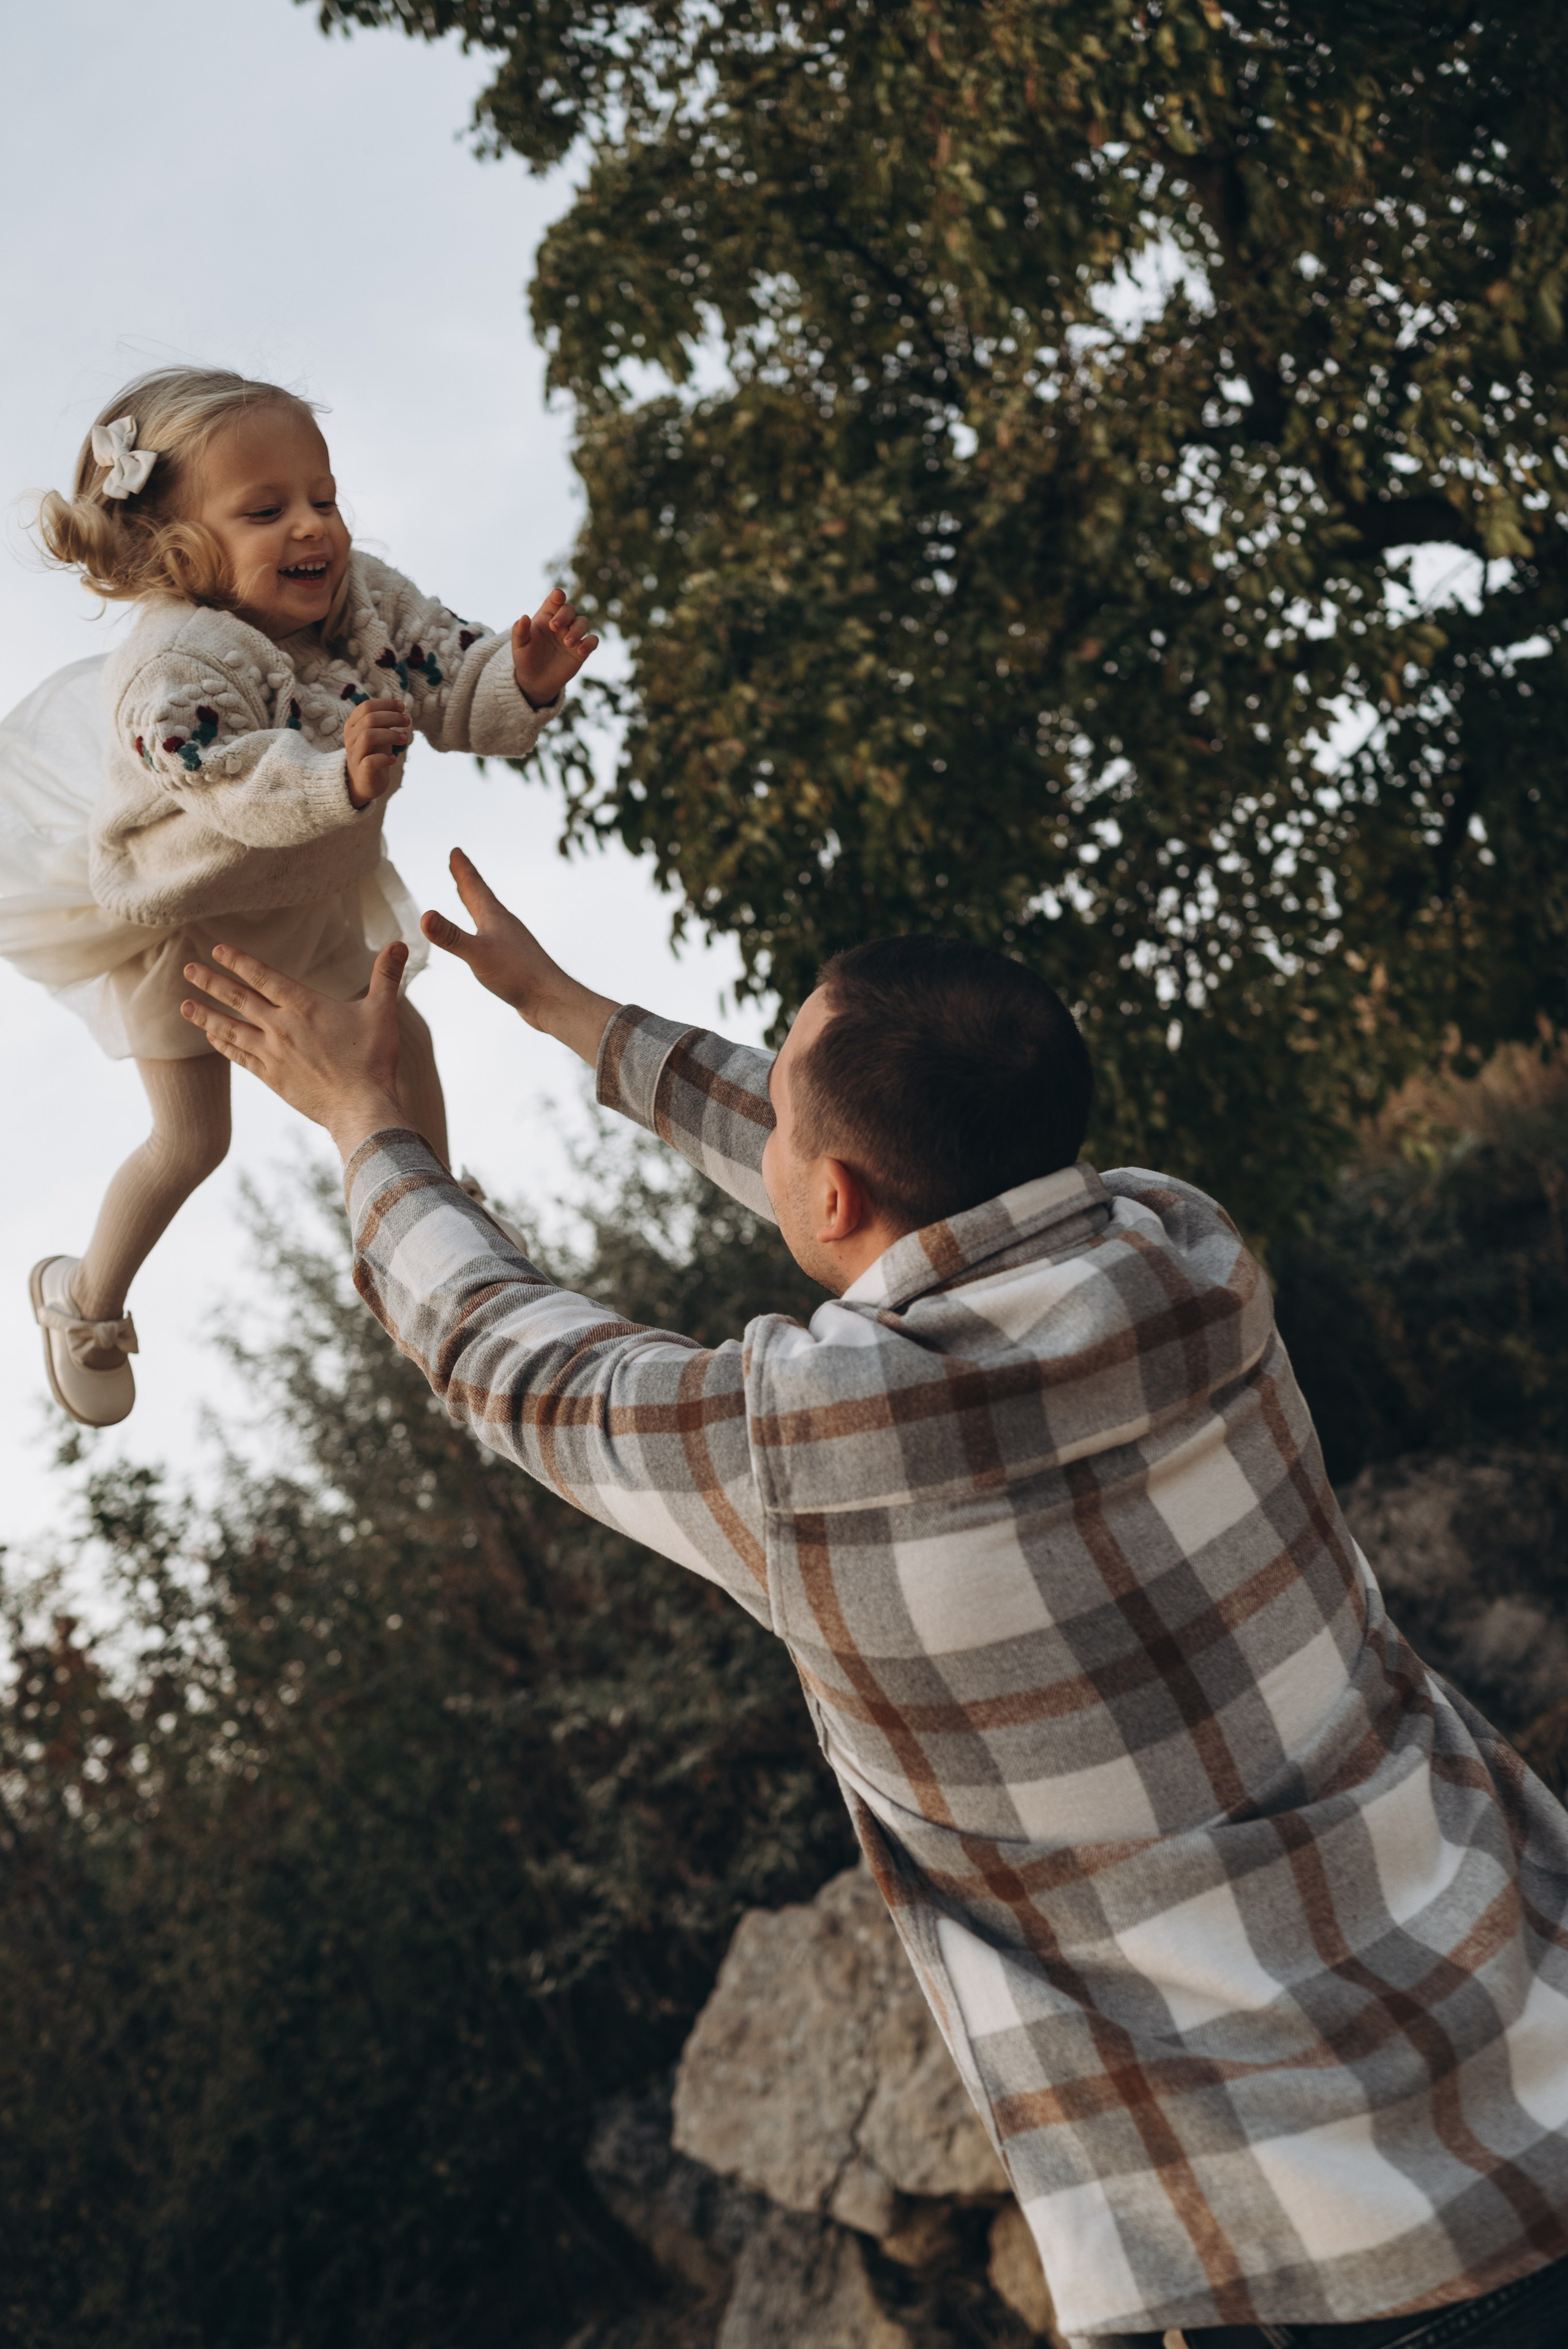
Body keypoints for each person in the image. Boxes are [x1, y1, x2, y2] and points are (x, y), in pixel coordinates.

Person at [175, 861, 1568, 2349]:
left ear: (830, 1190)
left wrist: (369, 1127)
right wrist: (565, 1011)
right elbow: (904, 1168)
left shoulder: (806, 1452)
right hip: (1531, 2041)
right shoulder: (1186, 1250)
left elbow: (505, 1354)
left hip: (1317, 2259)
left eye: (781, 1108)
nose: (765, 1121)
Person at [0, 365, 595, 1429]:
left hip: (307, 888)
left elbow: (447, 668)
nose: (313, 526)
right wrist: (337, 782)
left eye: (322, 496)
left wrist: (522, 679)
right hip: (189, 915)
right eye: (265, 511)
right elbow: (223, 784)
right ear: (179, 549)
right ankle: (82, 1300)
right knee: (193, 1143)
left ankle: (437, 1227)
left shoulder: (363, 598)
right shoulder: (168, 666)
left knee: (397, 1038)